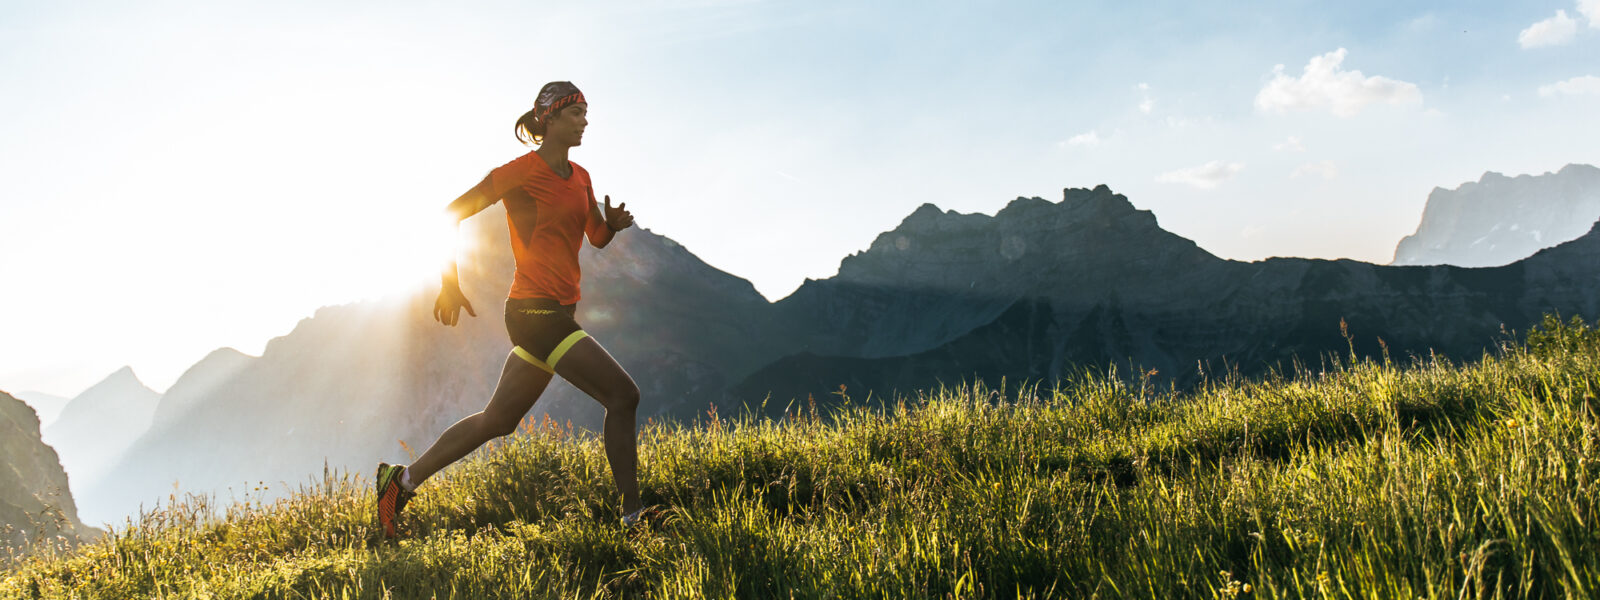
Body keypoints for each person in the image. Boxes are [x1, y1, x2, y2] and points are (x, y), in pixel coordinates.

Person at [375, 81, 646, 538]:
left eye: (586, 111)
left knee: (497, 420)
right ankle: (634, 519)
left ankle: (399, 483)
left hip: (559, 313)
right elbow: (450, 214)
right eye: (576, 112)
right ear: (550, 119)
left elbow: (595, 238)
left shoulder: (581, 177)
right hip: (532, 312)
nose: (585, 120)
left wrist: (613, 227)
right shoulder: (518, 172)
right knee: (623, 396)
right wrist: (449, 282)